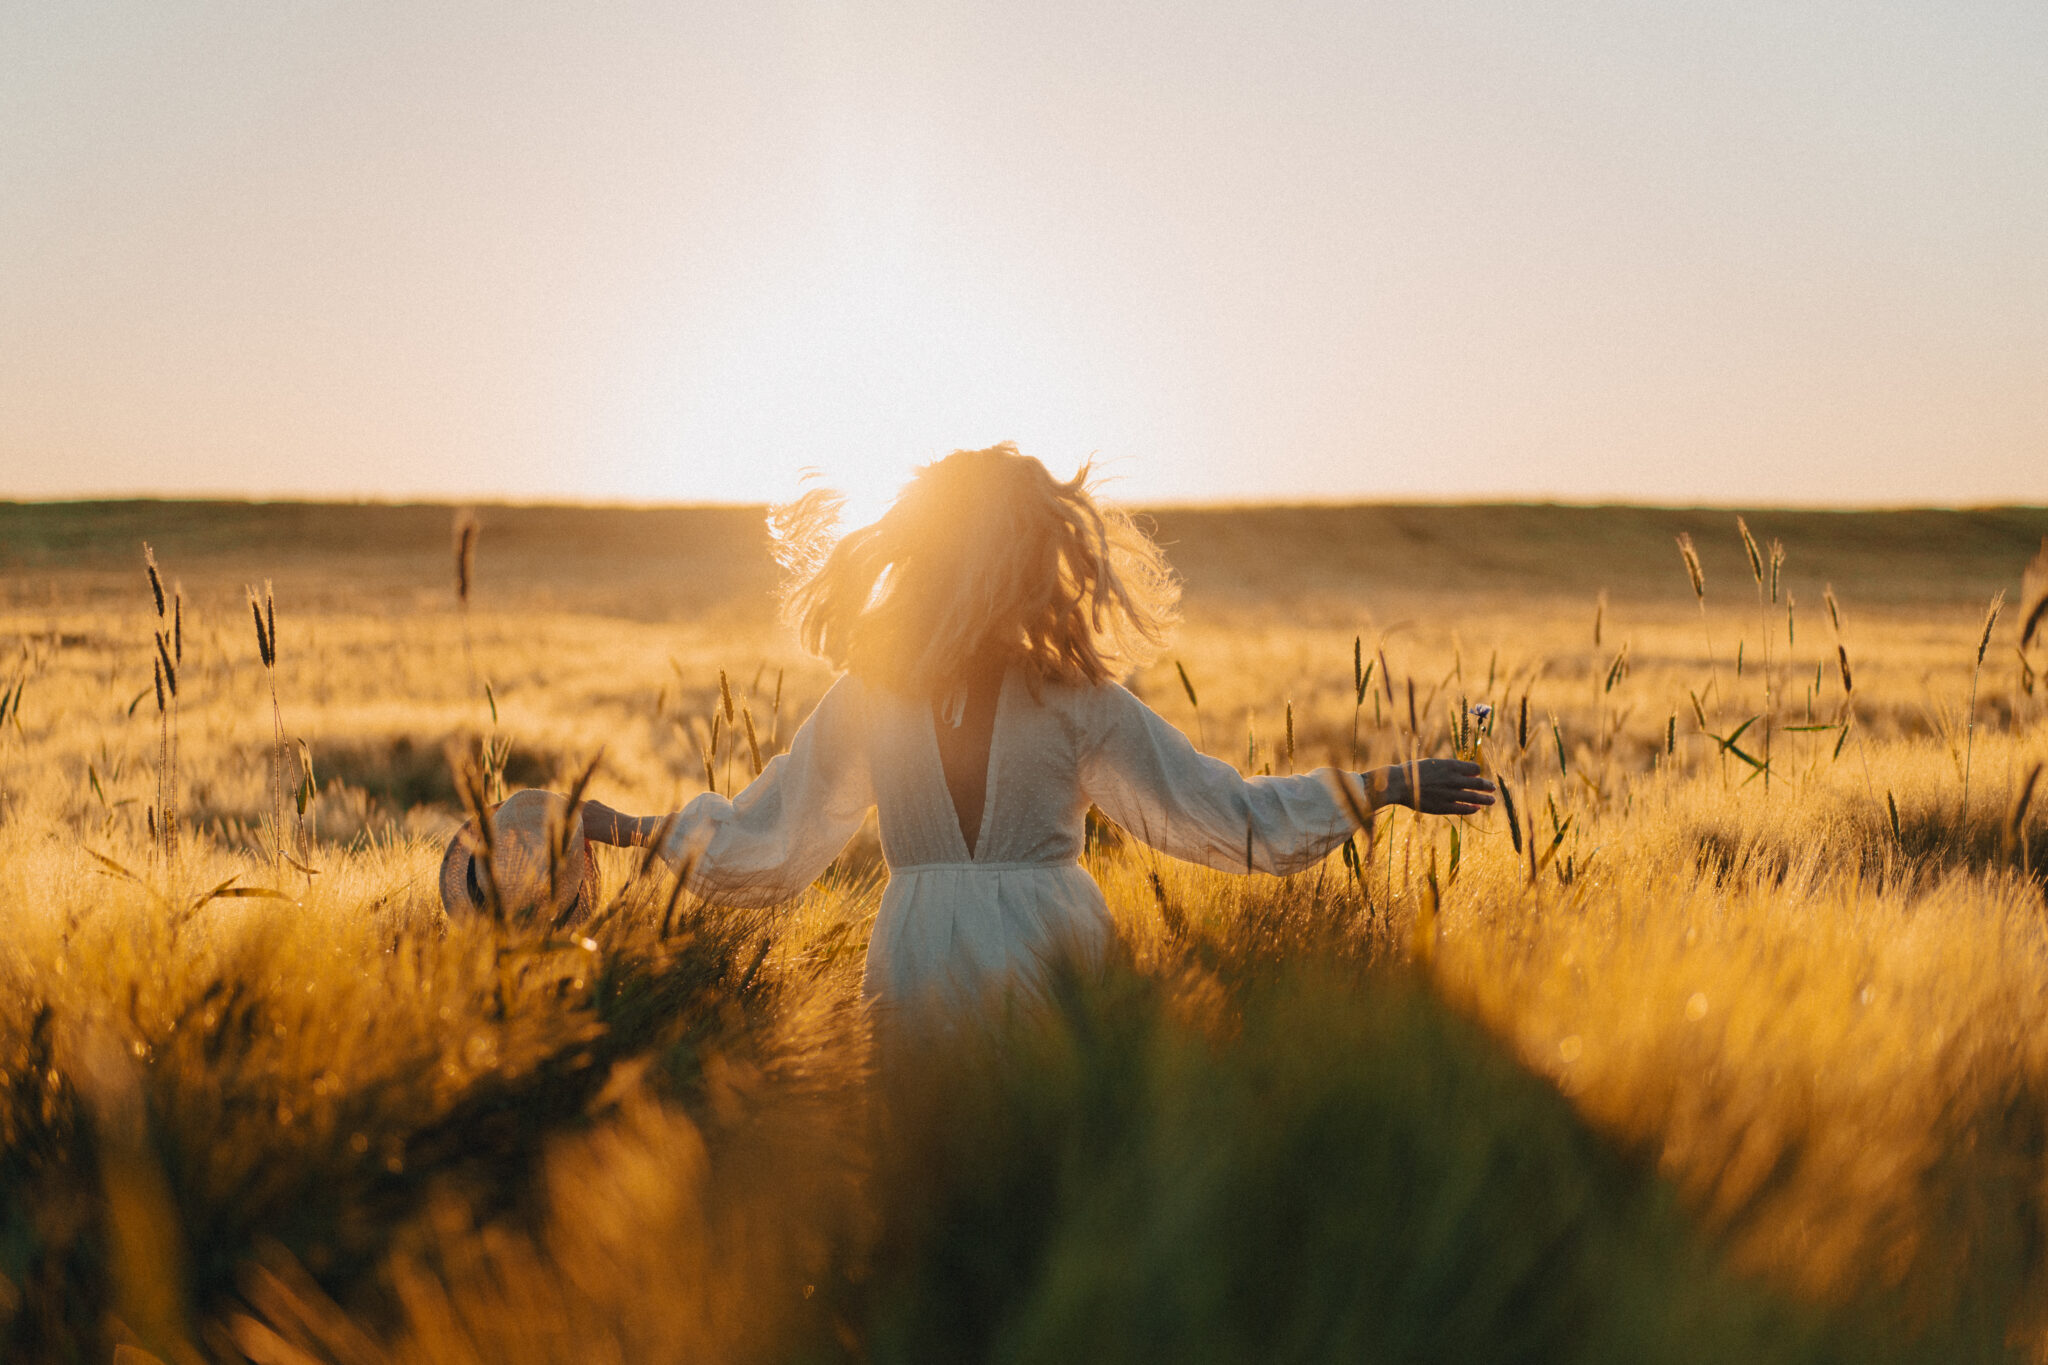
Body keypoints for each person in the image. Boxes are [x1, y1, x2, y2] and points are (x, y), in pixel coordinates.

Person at [580, 445, 1492, 1012]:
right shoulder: (1032, 699)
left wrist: (1389, 785)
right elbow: (1222, 814)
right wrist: (611, 827)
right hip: (1028, 966)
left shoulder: (925, 697)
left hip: (938, 966)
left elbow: (766, 841)